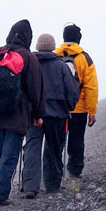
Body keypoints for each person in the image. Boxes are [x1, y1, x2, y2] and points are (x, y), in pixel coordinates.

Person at [21, 34, 80, 198]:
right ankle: (52, 185)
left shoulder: (30, 64)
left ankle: (30, 186)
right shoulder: (61, 66)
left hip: (33, 114)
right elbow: (71, 90)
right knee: (54, 148)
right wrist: (69, 106)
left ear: (38, 46)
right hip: (57, 114)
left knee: (32, 147)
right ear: (53, 46)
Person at [0, 20, 46, 205]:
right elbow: (36, 90)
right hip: (16, 116)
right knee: (9, 157)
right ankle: (1, 194)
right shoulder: (28, 57)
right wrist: (38, 114)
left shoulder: (1, 52)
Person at [55, 23, 98, 179]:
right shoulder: (84, 58)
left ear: (64, 37)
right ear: (79, 39)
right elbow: (91, 87)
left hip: (57, 107)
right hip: (78, 109)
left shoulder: (55, 56)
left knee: (56, 141)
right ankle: (75, 171)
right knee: (76, 140)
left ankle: (54, 172)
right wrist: (92, 111)